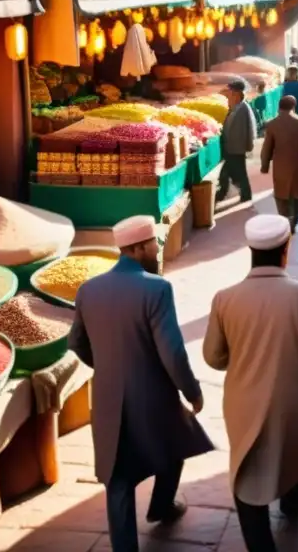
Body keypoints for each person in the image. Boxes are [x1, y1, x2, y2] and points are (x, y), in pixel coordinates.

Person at [68, 216, 212, 552]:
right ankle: (162, 506)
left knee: (118, 481)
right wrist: (192, 392)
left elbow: (76, 344)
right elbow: (173, 353)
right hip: (153, 398)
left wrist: (106, 367)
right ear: (135, 248)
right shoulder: (157, 289)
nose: (157, 248)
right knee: (176, 441)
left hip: (106, 401)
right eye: (152, 243)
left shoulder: (88, 291)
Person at [204, 215, 298, 552]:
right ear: (286, 249)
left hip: (243, 405)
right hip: (293, 403)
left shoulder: (225, 299)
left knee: (248, 476)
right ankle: (292, 505)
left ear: (251, 250)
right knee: (294, 454)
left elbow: (213, 358)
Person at [260, 96, 298, 233]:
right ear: (294, 107)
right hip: (296, 165)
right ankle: (294, 221)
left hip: (280, 166)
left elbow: (267, 148)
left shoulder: (272, 124)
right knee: (297, 194)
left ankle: (285, 220)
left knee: (281, 195)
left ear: (279, 107)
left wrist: (264, 165)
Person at [217, 79, 257, 205]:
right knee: (232, 173)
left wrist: (248, 146)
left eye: (232, 92)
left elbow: (250, 129)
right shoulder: (235, 107)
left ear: (238, 94)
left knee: (234, 173)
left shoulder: (243, 109)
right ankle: (237, 194)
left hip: (237, 148)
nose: (230, 95)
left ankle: (240, 194)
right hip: (232, 147)